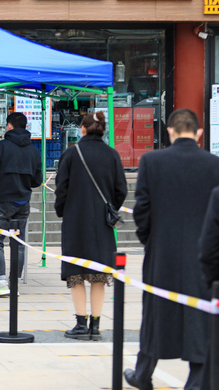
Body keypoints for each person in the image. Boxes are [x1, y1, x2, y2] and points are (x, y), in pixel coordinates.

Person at [126, 108, 219, 390]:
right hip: (202, 252)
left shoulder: (152, 161)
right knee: (200, 317)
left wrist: (150, 240)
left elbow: (141, 209)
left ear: (170, 132)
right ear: (199, 133)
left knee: (156, 312)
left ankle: (143, 373)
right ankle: (197, 379)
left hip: (161, 251)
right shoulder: (214, 165)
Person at [54, 111, 127, 340]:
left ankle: (80, 324)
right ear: (103, 129)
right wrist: (110, 207)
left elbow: (61, 188)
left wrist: (62, 209)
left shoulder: (71, 153)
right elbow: (121, 190)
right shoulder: (112, 155)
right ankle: (96, 326)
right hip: (102, 224)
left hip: (76, 221)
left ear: (82, 129)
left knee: (76, 272)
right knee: (99, 274)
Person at [0, 112, 42, 297]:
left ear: (10, 126)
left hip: (2, 200)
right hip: (23, 201)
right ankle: (14, 282)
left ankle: (0, 281)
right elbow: (37, 179)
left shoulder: (1, 147)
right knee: (19, 243)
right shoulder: (33, 150)